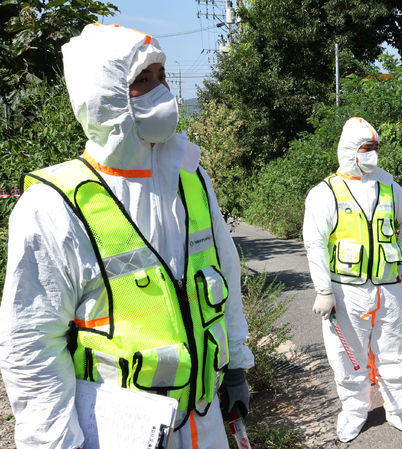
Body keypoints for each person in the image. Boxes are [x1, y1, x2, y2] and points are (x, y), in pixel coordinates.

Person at [0, 23, 253, 449]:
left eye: (162, 78)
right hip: (120, 432)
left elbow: (223, 276)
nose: (161, 92)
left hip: (204, 422)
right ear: (103, 96)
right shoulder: (54, 205)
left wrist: (236, 365)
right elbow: (32, 346)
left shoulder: (190, 177)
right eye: (142, 80)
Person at [303, 117, 402, 442]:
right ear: (348, 151)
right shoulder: (325, 192)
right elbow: (314, 242)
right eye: (365, 149)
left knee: (396, 352)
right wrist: (323, 289)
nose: (371, 155)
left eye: (375, 149)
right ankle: (354, 412)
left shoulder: (388, 187)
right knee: (347, 357)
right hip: (345, 292)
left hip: (387, 290)